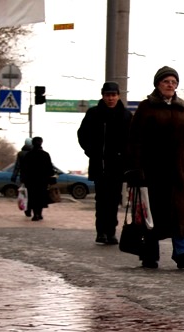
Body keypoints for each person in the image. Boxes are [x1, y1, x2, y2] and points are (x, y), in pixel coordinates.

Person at [127, 66, 184, 269]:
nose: (170, 85)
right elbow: (135, 141)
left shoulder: (183, 109)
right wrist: (136, 169)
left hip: (179, 172)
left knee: (180, 213)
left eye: (173, 82)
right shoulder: (146, 108)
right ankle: (149, 253)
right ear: (158, 85)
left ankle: (183, 252)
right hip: (153, 172)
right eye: (166, 82)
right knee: (153, 214)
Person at [78, 81, 132, 246]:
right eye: (108, 95)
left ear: (118, 96)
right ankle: (101, 232)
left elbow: (132, 139)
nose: (111, 98)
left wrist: (126, 158)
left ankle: (111, 232)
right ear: (103, 96)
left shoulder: (125, 115)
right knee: (101, 199)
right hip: (100, 164)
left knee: (114, 199)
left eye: (113, 95)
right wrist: (91, 152)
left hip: (117, 165)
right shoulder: (94, 113)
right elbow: (82, 134)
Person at [19, 136, 54, 222]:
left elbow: (24, 168)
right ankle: (39, 214)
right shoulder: (45, 155)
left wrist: (23, 179)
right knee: (41, 197)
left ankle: (35, 214)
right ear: (41, 143)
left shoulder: (29, 155)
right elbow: (50, 168)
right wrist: (50, 177)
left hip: (31, 181)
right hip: (42, 181)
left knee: (32, 197)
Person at [11, 138, 33, 217]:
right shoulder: (34, 153)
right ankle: (33, 209)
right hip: (34, 178)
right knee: (33, 194)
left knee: (25, 194)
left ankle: (27, 210)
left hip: (24, 177)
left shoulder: (20, 154)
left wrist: (14, 176)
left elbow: (17, 166)